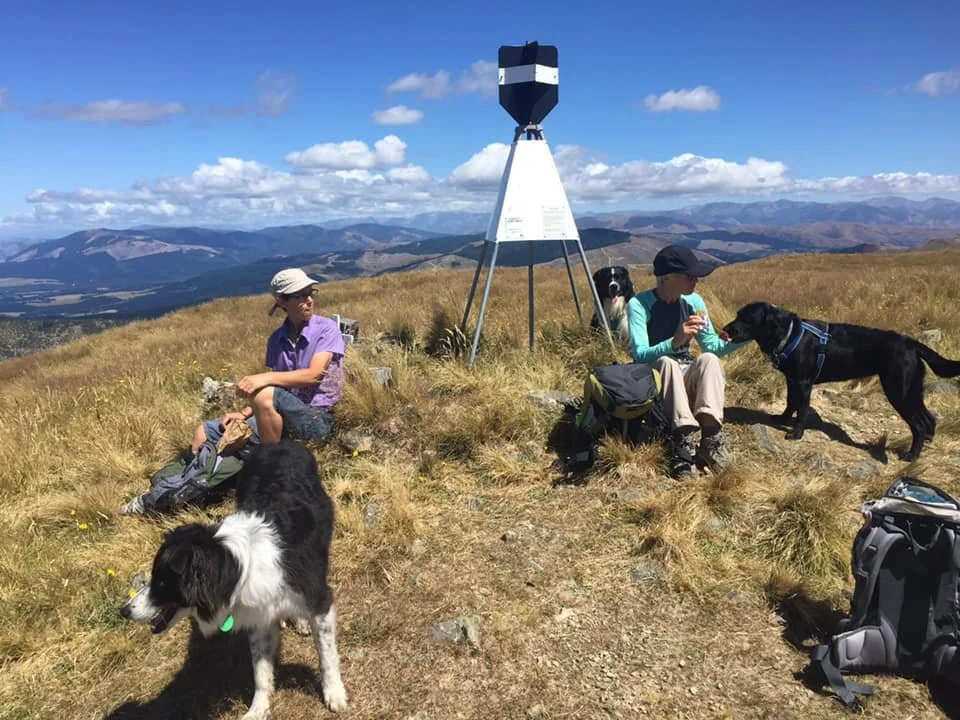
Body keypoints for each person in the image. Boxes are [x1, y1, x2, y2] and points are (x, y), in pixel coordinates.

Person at [191, 267, 345, 453]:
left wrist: (264, 378)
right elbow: (279, 392)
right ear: (282, 302)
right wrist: (244, 413)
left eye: (310, 293)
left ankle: (273, 464)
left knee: (264, 393)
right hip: (283, 415)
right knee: (204, 433)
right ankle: (201, 475)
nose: (309, 300)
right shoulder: (276, 339)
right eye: (300, 296)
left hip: (318, 419)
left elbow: (314, 375)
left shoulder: (326, 329)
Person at [626, 245, 744, 478]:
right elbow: (639, 355)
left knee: (708, 359)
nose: (696, 280)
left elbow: (712, 346)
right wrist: (675, 341)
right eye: (690, 276)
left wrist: (746, 338)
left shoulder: (695, 302)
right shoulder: (639, 305)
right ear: (667, 278)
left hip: (685, 376)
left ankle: (710, 440)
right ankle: (681, 442)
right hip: (656, 380)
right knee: (667, 363)